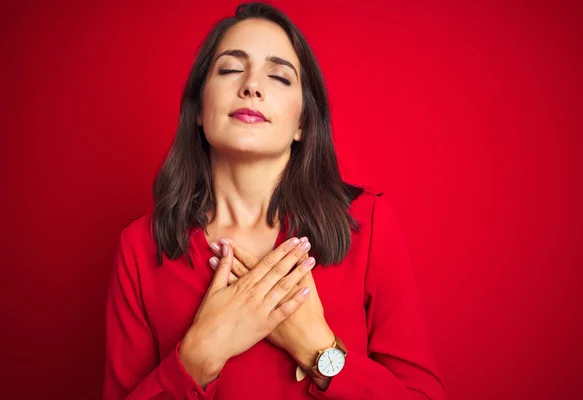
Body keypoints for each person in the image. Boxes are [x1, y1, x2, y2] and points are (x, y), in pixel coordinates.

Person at [102, 2, 445, 399]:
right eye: (230, 69)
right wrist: (199, 356)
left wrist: (318, 349)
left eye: (280, 76)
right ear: (198, 108)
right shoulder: (139, 248)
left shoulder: (368, 224)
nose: (251, 86)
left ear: (302, 122)